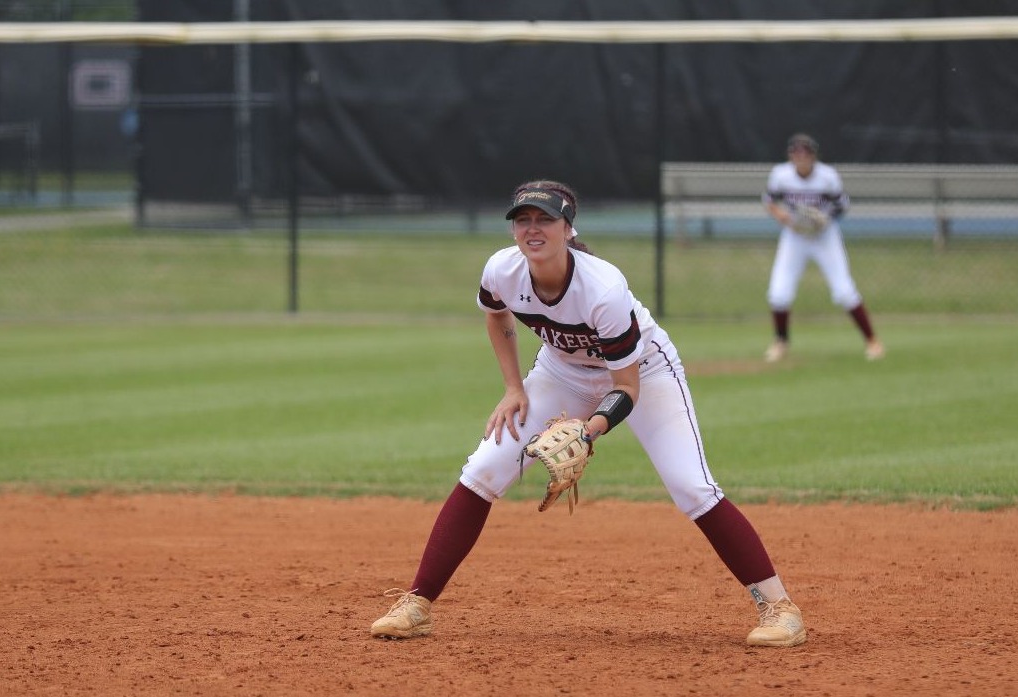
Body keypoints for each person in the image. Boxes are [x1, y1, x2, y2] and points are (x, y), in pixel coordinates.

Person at [370, 179, 807, 648]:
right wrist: (513, 388)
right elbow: (496, 315)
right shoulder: (502, 269)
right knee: (484, 468)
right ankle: (417, 603)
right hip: (561, 371)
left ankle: (780, 608)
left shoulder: (602, 289)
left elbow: (625, 386)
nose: (532, 229)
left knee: (691, 486)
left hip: (645, 371)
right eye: (523, 220)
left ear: (568, 229)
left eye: (545, 219)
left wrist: (588, 430)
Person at [762, 133, 884, 363]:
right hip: (795, 235)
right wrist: (783, 217)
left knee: (844, 291)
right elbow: (769, 201)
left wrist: (824, 219)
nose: (800, 158)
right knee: (778, 292)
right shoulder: (781, 175)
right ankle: (781, 342)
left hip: (823, 236)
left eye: (805, 153)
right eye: (796, 153)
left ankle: (873, 341)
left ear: (813, 156)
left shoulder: (827, 177)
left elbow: (842, 205)